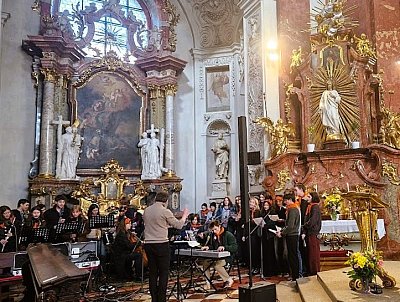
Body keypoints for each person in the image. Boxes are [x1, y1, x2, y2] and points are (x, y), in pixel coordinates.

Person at [143, 191, 189, 302]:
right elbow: (178, 225)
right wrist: (184, 216)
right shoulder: (165, 211)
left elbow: (154, 224)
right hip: (161, 244)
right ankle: (161, 299)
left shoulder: (146, 210)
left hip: (148, 244)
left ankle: (154, 299)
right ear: (166, 201)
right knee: (163, 272)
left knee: (153, 272)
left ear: (155, 199)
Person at [201, 220, 236, 289]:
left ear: (219, 226)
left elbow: (235, 247)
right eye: (212, 230)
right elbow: (213, 246)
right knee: (205, 263)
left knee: (217, 265)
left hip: (227, 257)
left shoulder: (228, 234)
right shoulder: (212, 235)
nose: (214, 231)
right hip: (216, 256)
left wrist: (225, 247)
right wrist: (208, 247)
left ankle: (228, 280)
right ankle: (207, 282)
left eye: (215, 229)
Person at [276, 191, 301, 281]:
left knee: (293, 256)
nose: (284, 202)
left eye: (285, 200)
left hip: (292, 235)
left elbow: (290, 226)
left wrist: (282, 233)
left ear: (290, 200)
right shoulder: (290, 209)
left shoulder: (293, 209)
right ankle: (293, 275)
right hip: (291, 234)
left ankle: (295, 276)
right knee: (291, 255)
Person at [302, 192, 322, 275]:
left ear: (313, 198)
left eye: (309, 196)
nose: (307, 198)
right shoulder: (310, 206)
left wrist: (305, 225)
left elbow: (313, 221)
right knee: (310, 253)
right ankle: (311, 270)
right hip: (309, 232)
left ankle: (314, 271)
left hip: (313, 232)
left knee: (313, 253)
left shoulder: (315, 207)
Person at [294, 183, 309, 276]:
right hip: (300, 227)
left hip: (303, 228)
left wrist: (303, 231)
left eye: (296, 190)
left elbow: (304, 216)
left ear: (301, 190)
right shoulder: (299, 200)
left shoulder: (305, 200)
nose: (295, 192)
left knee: (303, 251)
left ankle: (304, 270)